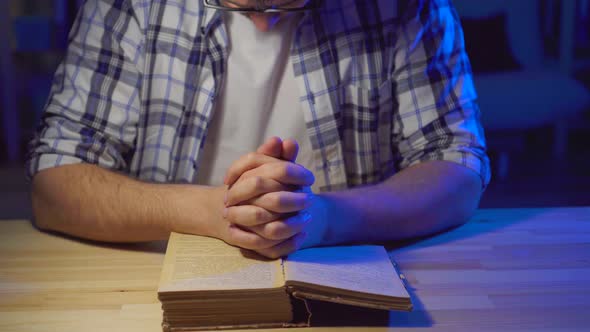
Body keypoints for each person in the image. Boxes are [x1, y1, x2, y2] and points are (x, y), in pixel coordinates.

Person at [27, 0, 490, 259]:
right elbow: (53, 184)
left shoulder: (405, 5)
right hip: (155, 284)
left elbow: (457, 166)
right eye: (241, 3)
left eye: (289, 5)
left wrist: (325, 219)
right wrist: (209, 212)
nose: (267, 21)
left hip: (344, 273)